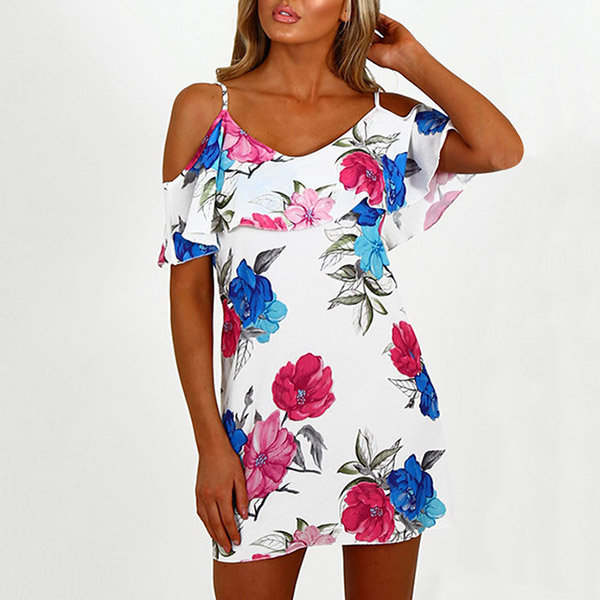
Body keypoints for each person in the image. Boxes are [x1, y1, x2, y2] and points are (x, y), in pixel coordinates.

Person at [158, 1, 523, 598]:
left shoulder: (387, 119)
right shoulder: (205, 111)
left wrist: (411, 59)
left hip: (386, 416)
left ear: (351, 8)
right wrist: (209, 444)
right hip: (258, 437)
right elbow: (189, 288)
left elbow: (500, 150)